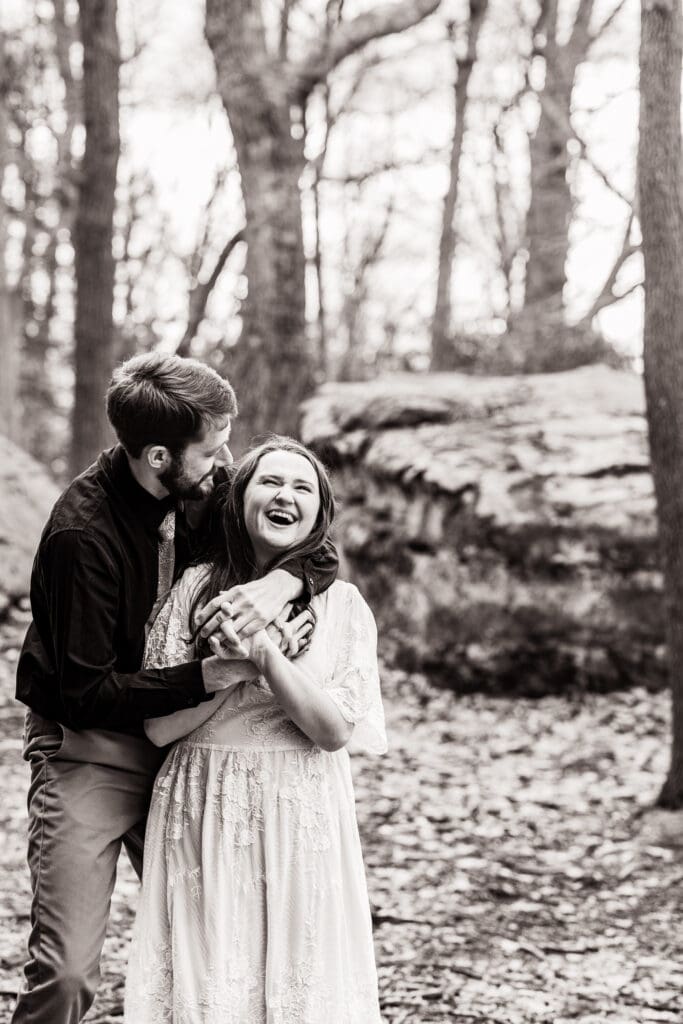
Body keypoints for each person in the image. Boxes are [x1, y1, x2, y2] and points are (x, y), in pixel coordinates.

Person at [12, 354, 338, 1024]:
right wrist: (212, 674)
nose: (226, 465)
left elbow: (315, 542)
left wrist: (281, 583)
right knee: (67, 973)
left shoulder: (203, 492)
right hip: (92, 753)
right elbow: (86, 693)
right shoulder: (83, 536)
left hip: (193, 754)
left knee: (221, 953)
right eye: (213, 450)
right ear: (158, 456)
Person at [124, 436, 387, 1024]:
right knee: (213, 980)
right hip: (203, 806)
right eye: (270, 482)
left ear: (320, 511)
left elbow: (332, 731)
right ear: (240, 499)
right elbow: (160, 729)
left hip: (302, 813)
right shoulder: (194, 588)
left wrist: (267, 656)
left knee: (301, 981)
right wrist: (232, 670)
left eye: (303, 487)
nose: (285, 495)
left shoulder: (343, 606)